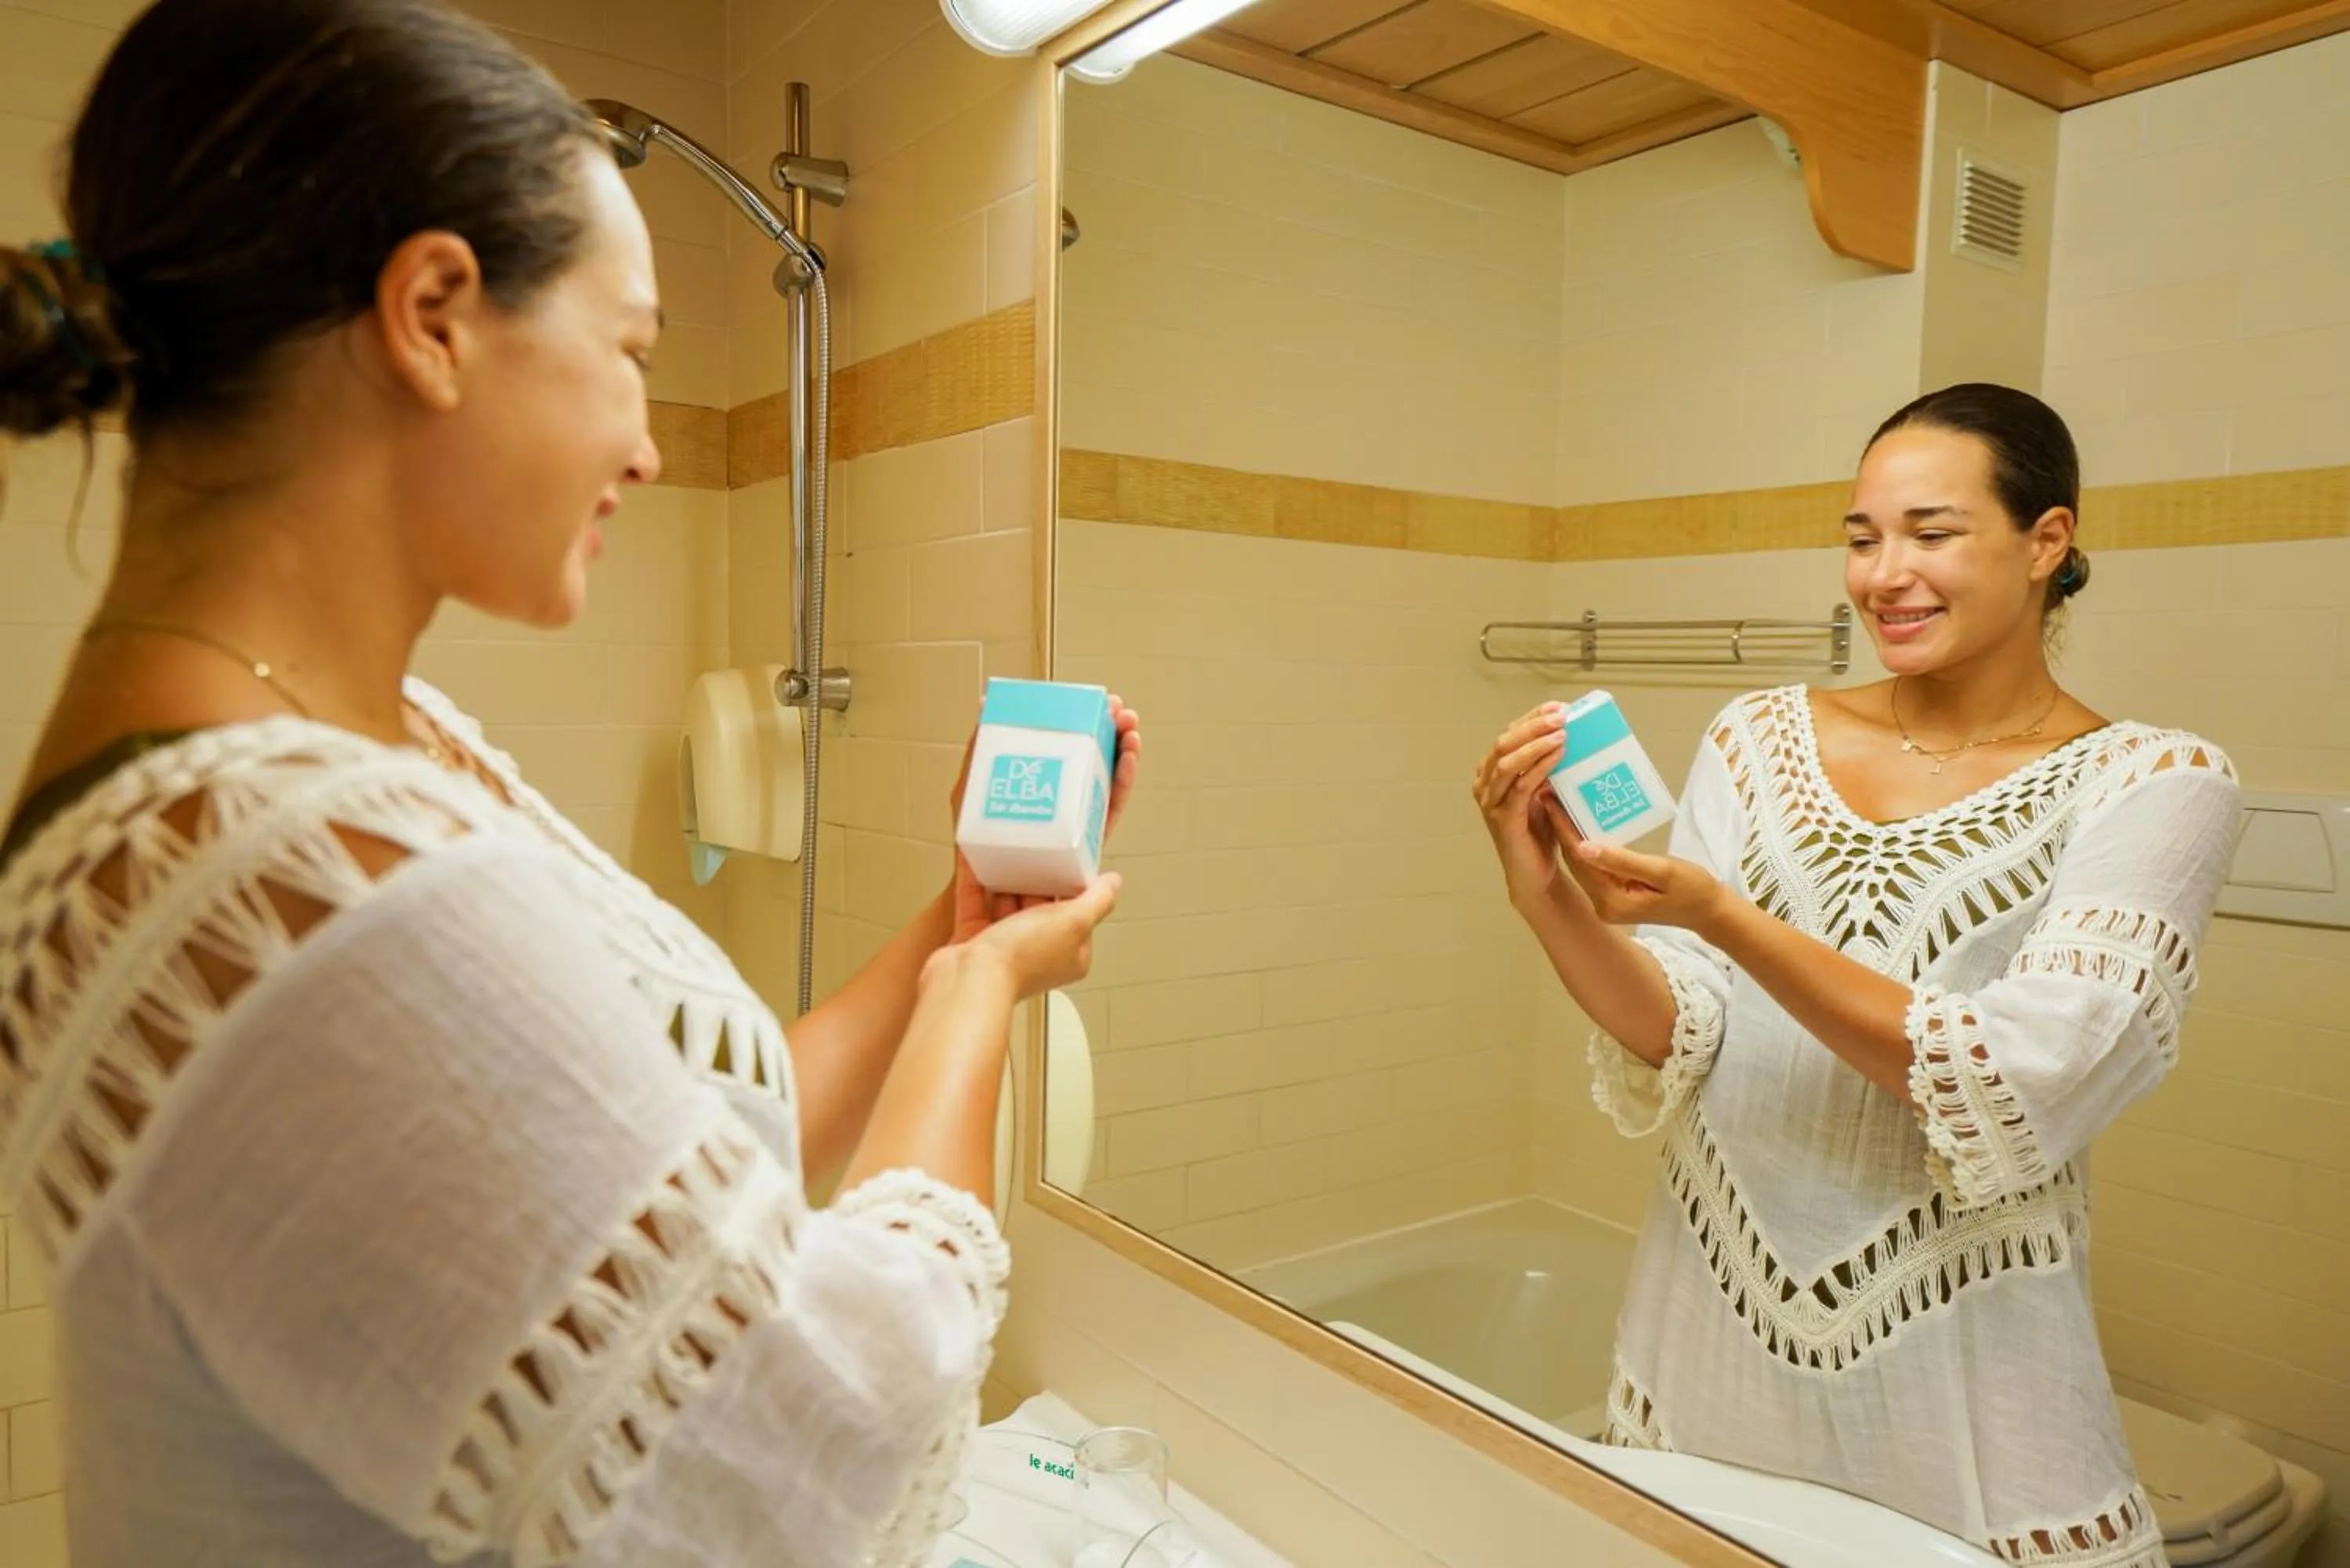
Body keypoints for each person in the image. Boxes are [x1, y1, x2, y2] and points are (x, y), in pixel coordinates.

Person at [0, 2, 1137, 1564]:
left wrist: (958, 925)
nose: (655, 445)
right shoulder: (274, 869)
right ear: (434, 313)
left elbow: (673, 1177)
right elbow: (810, 1445)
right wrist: (982, 995)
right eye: (631, 353)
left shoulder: (353, 751)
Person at [1473, 384, 2238, 1567]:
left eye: (1932, 533)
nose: (1886, 574)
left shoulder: (2158, 783)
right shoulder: (1756, 736)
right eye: (1862, 536)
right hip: (1708, 1356)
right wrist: (1544, 891)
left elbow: (2021, 1081)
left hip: (1968, 1404)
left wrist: (1726, 915)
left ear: (2048, 542)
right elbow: (1679, 1027)